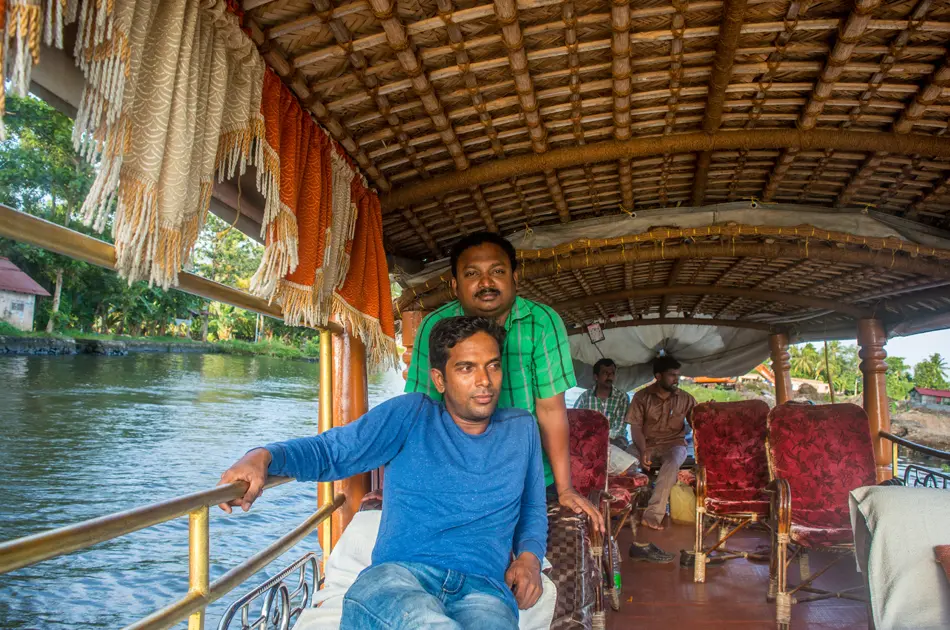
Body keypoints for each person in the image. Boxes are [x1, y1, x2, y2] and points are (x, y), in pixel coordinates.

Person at [218, 317, 547, 629]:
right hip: (399, 579)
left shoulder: (521, 429)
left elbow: (532, 507)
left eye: (493, 365)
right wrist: (263, 456)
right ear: (439, 379)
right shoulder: (411, 415)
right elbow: (333, 451)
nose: (484, 381)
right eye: (466, 368)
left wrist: (530, 559)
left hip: (484, 588)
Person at [405, 232, 604, 532]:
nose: (486, 283)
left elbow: (551, 412)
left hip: (527, 474)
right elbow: (423, 410)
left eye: (497, 272)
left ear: (514, 278)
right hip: (456, 472)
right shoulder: (434, 326)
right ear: (455, 285)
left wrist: (564, 489)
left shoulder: (542, 323)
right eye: (472, 274)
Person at [625, 355, 696, 532]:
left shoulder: (686, 398)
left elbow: (698, 422)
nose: (676, 380)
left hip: (674, 444)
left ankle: (652, 515)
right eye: (672, 375)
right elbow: (635, 428)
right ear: (658, 376)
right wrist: (643, 450)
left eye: (677, 375)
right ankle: (623, 511)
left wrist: (708, 412)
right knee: (625, 463)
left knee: (671, 464)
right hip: (645, 442)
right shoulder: (642, 397)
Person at [573, 358, 638, 475]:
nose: (610, 377)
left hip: (615, 440)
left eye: (612, 373)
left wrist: (602, 439)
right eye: (605, 373)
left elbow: (620, 427)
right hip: (591, 440)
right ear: (596, 377)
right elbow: (575, 421)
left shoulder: (622, 397)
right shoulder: (585, 397)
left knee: (618, 446)